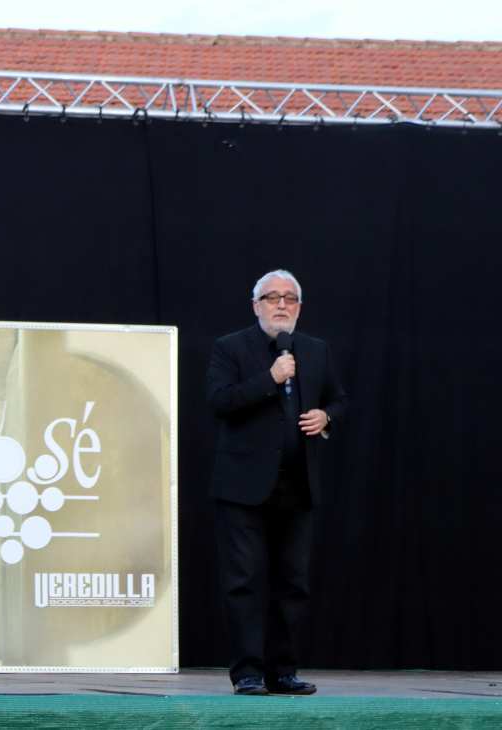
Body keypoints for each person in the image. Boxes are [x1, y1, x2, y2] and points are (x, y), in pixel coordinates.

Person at [206, 269, 348, 696]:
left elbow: (339, 399)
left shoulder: (316, 350)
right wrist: (270, 379)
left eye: (289, 298)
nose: (281, 305)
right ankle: (247, 673)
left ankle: (282, 671)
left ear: (300, 307)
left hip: (297, 484)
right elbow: (219, 402)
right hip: (243, 488)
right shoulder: (230, 348)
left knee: (293, 584)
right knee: (245, 581)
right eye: (271, 297)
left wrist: (327, 418)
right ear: (256, 306)